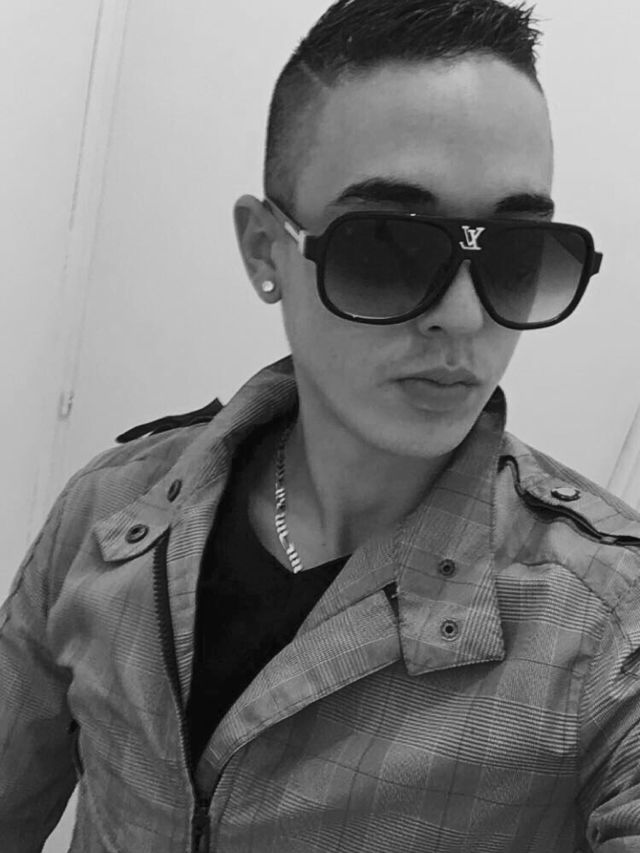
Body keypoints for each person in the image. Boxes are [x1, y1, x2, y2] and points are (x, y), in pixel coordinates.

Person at [1, 0, 639, 850]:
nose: (463, 317)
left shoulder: (608, 634)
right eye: (388, 246)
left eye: (518, 254)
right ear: (266, 250)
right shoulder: (108, 509)